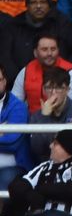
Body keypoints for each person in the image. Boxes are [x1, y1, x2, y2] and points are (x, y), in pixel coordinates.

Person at [3, 130, 72, 216]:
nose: (50, 146)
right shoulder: (44, 167)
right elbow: (16, 187)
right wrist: (32, 195)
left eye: (55, 143)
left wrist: (40, 191)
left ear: (68, 148)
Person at [2, 0, 71, 81]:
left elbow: (63, 54)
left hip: (55, 81)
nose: (38, 6)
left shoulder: (60, 23)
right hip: (19, 81)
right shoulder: (13, 26)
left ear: (49, 4)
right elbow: (6, 58)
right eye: (33, 2)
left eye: (43, 2)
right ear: (27, 5)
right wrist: (21, 80)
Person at [29, 67, 72, 163]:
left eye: (58, 87)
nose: (53, 93)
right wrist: (44, 118)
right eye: (49, 88)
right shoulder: (37, 117)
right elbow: (37, 150)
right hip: (48, 167)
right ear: (43, 90)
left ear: (67, 90)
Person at [12, 35, 72, 113]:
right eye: (44, 49)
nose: (49, 53)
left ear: (58, 50)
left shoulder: (70, 72)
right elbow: (15, 103)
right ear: (35, 52)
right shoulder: (26, 71)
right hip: (32, 122)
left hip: (61, 121)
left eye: (53, 49)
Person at [0, 63, 33, 192]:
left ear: (5, 81)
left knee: (3, 184)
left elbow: (13, 142)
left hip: (13, 166)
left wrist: (6, 135)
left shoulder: (17, 106)